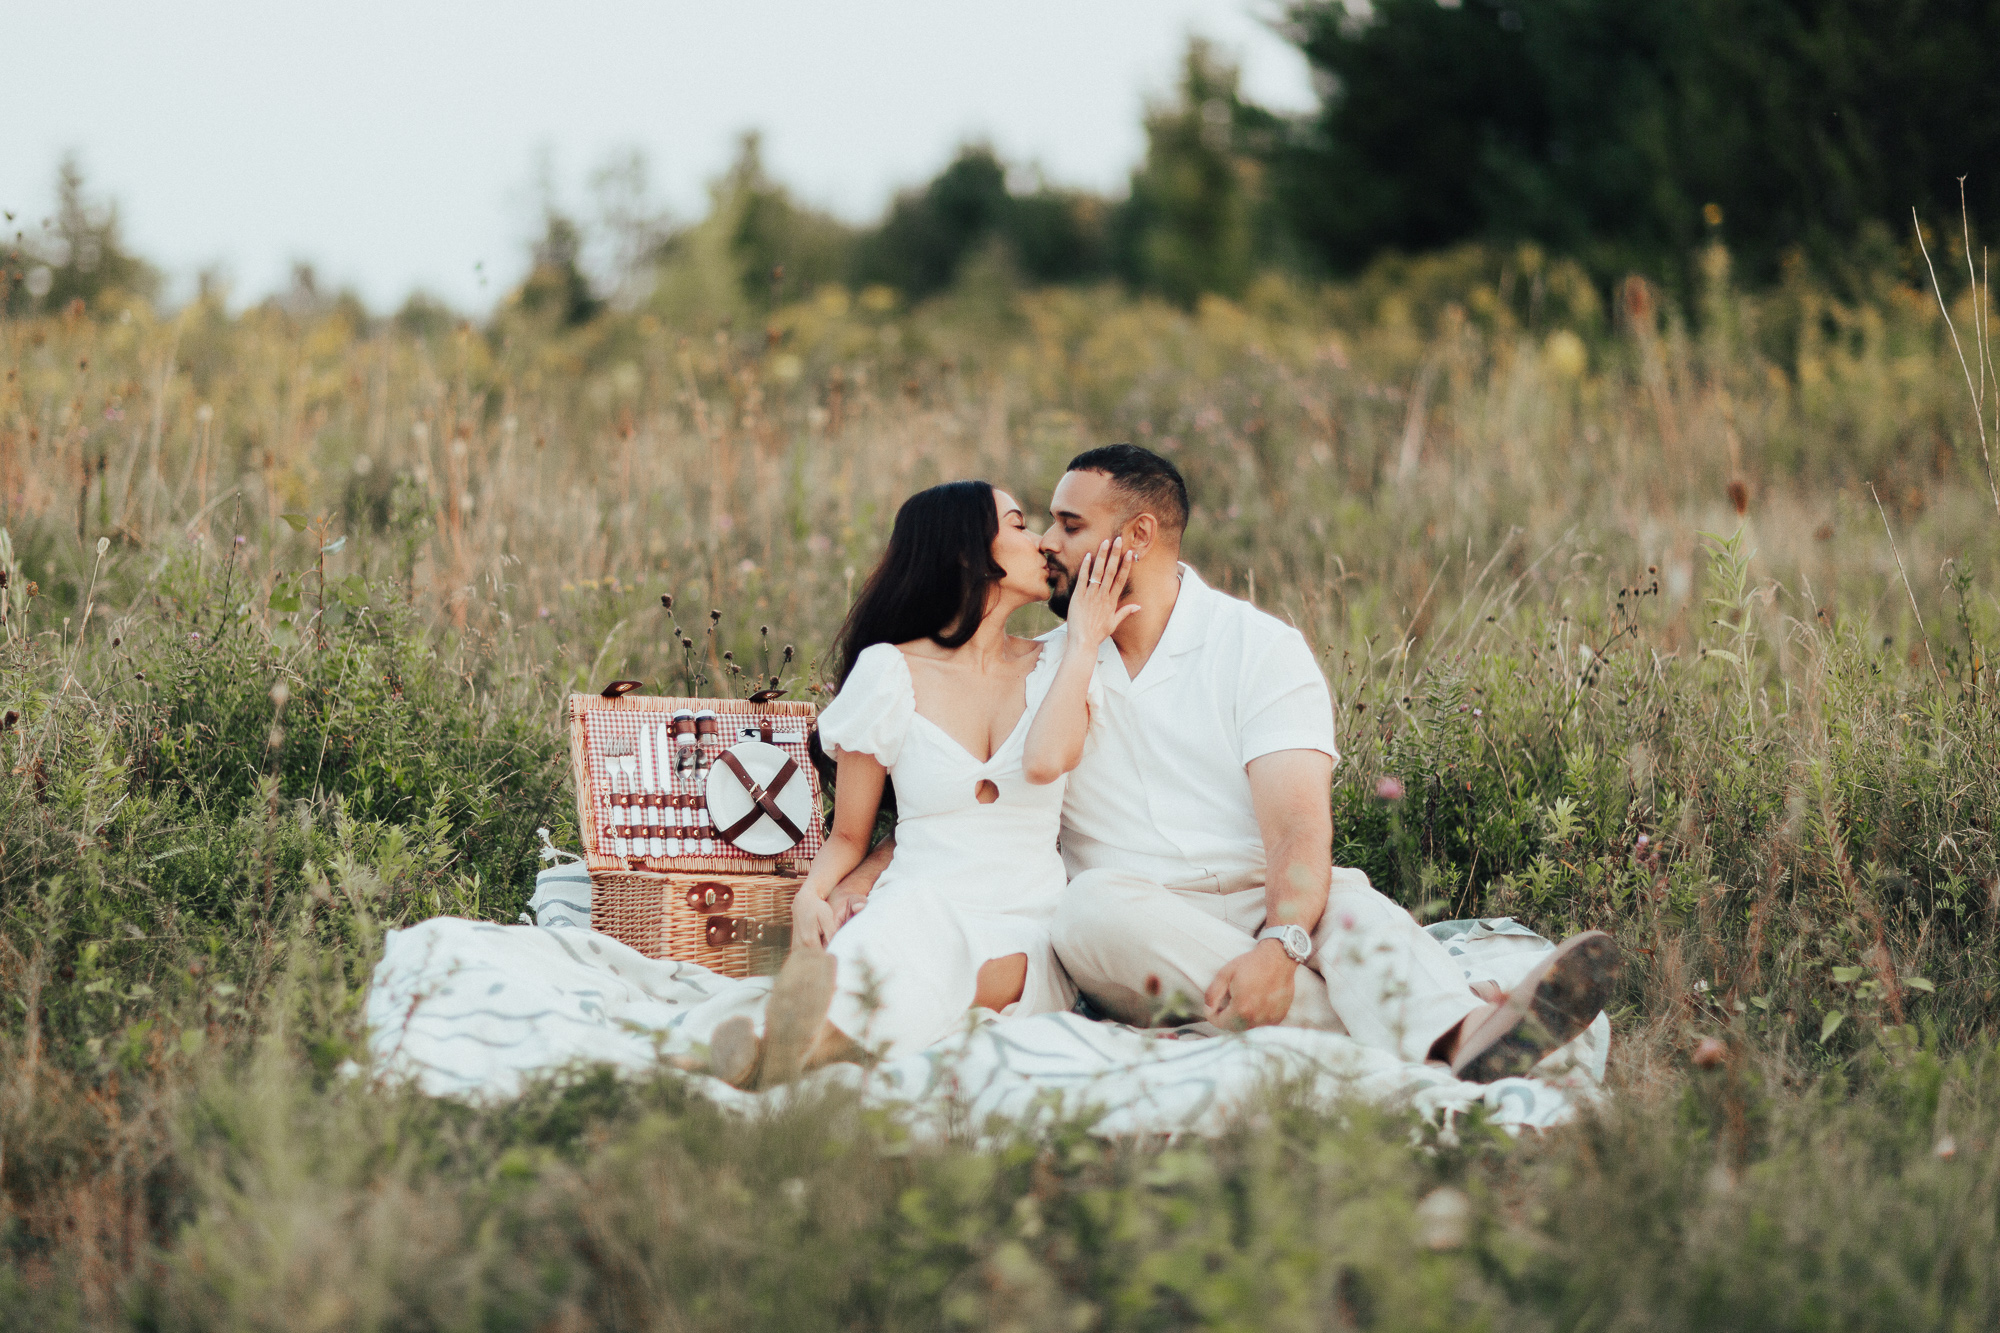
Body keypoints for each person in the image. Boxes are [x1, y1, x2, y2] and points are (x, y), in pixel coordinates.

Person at [834, 445, 1617, 1082]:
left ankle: (1457, 1035)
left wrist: (1280, 945)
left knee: (1350, 904)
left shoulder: (1257, 648)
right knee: (1087, 912)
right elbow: (972, 808)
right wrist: (862, 876)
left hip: (1268, 899)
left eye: (1068, 525)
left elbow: (1299, 829)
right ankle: (1453, 1024)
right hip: (1139, 923)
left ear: (1135, 537)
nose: (1046, 542)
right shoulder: (1049, 667)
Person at [708, 479, 1136, 1089]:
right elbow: (851, 835)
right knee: (908, 927)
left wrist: (1087, 642)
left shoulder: (1064, 661)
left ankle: (793, 1052)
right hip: (913, 905)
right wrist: (813, 893)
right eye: (1018, 525)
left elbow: (1047, 762)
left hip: (1025, 925)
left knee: (945, 958)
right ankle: (793, 1047)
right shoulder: (889, 672)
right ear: (967, 553)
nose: (1042, 542)